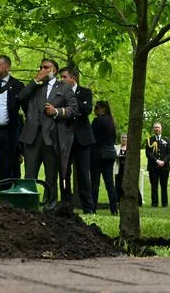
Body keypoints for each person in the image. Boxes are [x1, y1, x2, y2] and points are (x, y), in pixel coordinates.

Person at [18, 58, 77, 208]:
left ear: (54, 70)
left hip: (51, 137)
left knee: (51, 176)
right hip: (32, 137)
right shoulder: (35, 87)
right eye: (41, 67)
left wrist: (56, 111)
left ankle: (49, 207)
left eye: (47, 67)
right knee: (29, 175)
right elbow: (21, 97)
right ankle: (28, 206)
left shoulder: (63, 87)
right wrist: (35, 80)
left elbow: (73, 109)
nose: (43, 69)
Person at [0, 54, 24, 195]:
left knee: (6, 167)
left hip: (7, 132)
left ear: (7, 67)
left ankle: (4, 199)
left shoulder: (17, 85)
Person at [61, 66, 95, 212]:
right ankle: (66, 206)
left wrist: (71, 98)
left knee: (83, 173)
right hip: (64, 138)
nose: (61, 80)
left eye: (64, 77)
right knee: (64, 173)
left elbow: (87, 110)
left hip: (83, 139)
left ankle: (88, 207)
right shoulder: (58, 94)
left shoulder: (85, 92)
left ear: (73, 78)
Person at [90, 100, 118, 214]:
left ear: (102, 109)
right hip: (110, 154)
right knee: (110, 183)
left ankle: (93, 208)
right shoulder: (111, 121)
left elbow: (91, 137)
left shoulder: (97, 121)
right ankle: (114, 209)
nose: (95, 110)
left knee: (95, 183)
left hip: (98, 154)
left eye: (97, 108)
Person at [144, 122, 170, 208]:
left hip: (164, 167)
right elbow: (148, 153)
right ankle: (154, 203)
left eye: (158, 127)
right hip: (153, 167)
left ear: (161, 129)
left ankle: (165, 204)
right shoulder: (149, 140)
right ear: (153, 129)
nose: (157, 129)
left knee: (164, 186)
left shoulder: (166, 140)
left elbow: (169, 153)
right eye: (155, 127)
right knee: (154, 186)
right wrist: (157, 161)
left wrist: (163, 161)